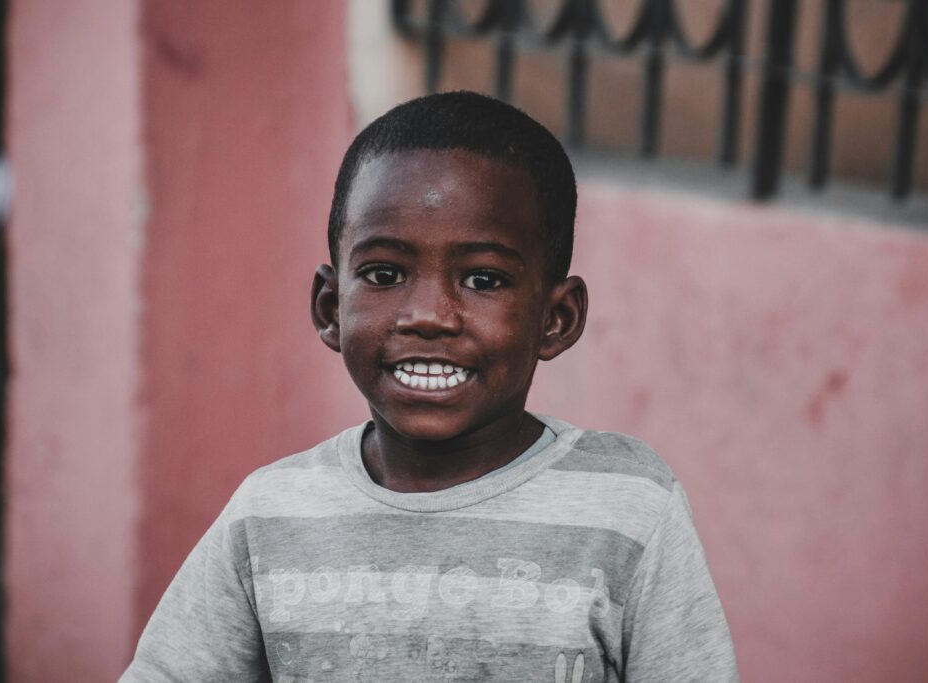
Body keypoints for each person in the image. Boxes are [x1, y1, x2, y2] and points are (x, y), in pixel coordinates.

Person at [121, 91, 738, 682]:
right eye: (385, 273)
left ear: (557, 319)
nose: (429, 315)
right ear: (331, 309)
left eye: (484, 280)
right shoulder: (272, 514)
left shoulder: (628, 506)